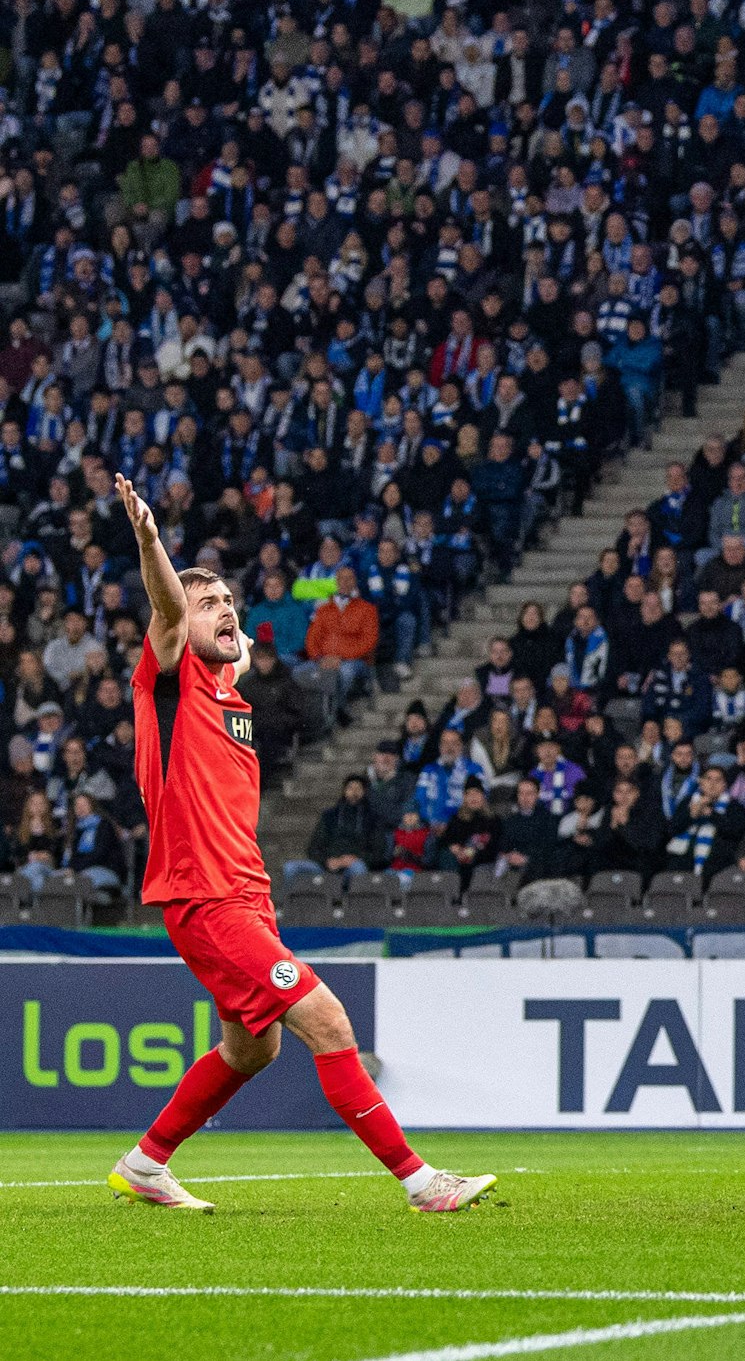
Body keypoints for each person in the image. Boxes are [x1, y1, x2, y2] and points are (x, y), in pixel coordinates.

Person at [107, 473, 494, 1213]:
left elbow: (237, 653)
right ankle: (422, 1182)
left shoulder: (228, 692)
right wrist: (153, 543)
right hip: (205, 897)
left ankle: (147, 1162)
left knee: (256, 1047)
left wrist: (232, 644)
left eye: (229, 601)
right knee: (327, 1020)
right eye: (208, 603)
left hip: (248, 900)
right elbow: (165, 606)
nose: (225, 611)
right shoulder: (168, 679)